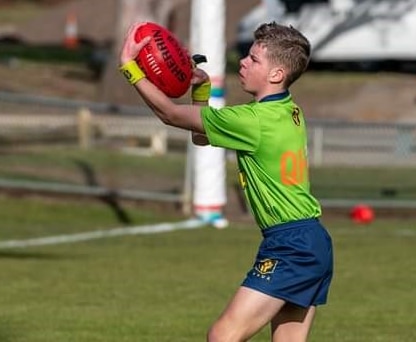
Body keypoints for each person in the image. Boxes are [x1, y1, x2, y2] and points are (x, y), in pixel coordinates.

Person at [119, 21, 334, 342]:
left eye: (254, 60)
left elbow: (170, 115)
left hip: (292, 246)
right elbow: (201, 139)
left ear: (276, 75)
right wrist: (201, 90)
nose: (243, 63)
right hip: (311, 239)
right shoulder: (287, 110)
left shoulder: (253, 121)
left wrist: (130, 69)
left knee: (222, 336)